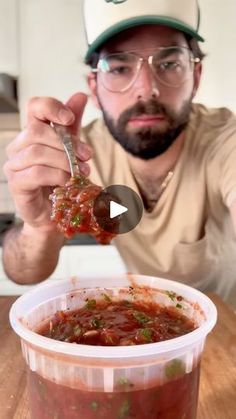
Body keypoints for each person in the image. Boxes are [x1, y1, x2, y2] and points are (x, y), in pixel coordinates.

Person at [2, 0, 236, 308]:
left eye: (168, 64)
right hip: (149, 318)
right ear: (94, 88)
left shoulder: (223, 139)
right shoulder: (81, 158)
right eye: (119, 68)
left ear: (196, 77)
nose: (145, 88)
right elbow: (23, 272)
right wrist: (40, 227)